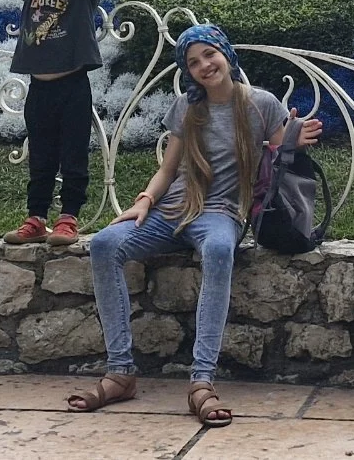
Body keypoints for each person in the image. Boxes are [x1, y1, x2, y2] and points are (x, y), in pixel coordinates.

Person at [66, 23, 322, 426]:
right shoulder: (186, 107)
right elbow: (168, 170)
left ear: (226, 55)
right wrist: (144, 201)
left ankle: (201, 381)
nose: (204, 65)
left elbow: (279, 160)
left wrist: (292, 142)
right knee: (104, 244)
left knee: (219, 249)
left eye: (209, 54)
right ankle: (120, 373)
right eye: (193, 62)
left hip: (222, 212)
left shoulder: (261, 103)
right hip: (173, 209)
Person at [4, 0, 110, 248]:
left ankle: (68, 218)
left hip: (73, 87)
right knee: (41, 157)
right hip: (39, 90)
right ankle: (36, 218)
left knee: (73, 154)